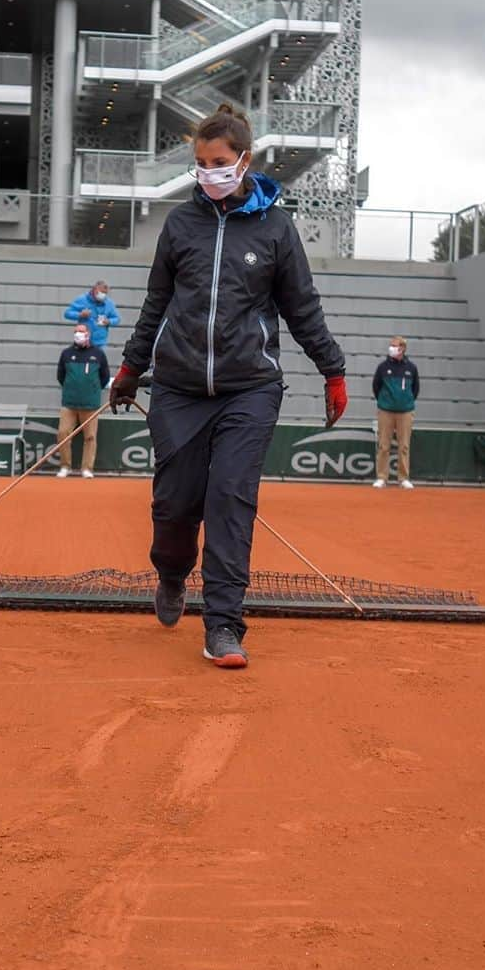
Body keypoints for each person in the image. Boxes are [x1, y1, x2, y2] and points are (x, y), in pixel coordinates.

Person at [111, 103, 347, 669]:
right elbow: (156, 304)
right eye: (200, 163)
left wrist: (332, 369)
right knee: (175, 507)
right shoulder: (181, 225)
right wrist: (129, 367)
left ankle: (223, 624)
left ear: (244, 161)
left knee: (230, 499)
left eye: (218, 161)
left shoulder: (275, 229)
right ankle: (171, 574)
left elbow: (301, 307)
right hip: (179, 388)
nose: (208, 171)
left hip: (251, 389)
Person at [56, 325, 109, 479]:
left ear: (88, 335)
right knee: (63, 434)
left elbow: (104, 377)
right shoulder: (66, 354)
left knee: (90, 437)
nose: (79, 334)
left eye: (82, 332)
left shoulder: (98, 354)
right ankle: (65, 466)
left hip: (91, 404)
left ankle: (87, 469)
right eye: (76, 332)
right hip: (69, 404)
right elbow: (61, 376)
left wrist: (93, 390)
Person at [372, 335, 419, 489]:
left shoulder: (411, 368)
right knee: (383, 445)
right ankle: (381, 477)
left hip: (405, 412)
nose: (391, 347)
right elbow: (376, 387)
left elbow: (415, 389)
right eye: (391, 345)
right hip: (386, 411)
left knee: (404, 446)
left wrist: (406, 402)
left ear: (402, 348)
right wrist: (385, 402)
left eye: (395, 345)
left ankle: (403, 478)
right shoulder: (383, 367)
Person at [64, 280, 121, 350]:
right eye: (101, 292)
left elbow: (117, 318)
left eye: (105, 293)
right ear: (94, 290)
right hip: (83, 340)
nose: (103, 295)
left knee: (98, 360)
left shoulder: (109, 303)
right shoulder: (82, 300)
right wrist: (80, 314)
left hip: (100, 342)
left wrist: (109, 321)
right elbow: (67, 313)